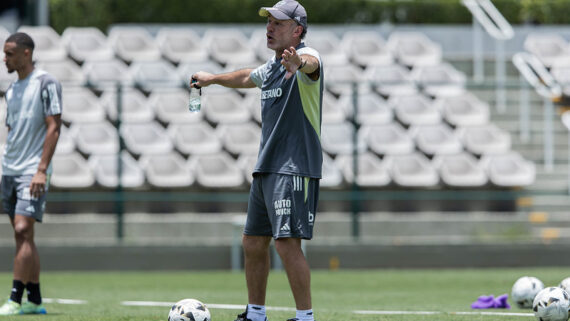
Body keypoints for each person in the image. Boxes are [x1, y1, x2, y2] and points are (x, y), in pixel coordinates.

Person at [193, 1, 323, 321]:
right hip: (266, 167)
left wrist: (298, 61)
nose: (270, 27)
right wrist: (211, 79)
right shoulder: (273, 66)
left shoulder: (309, 56)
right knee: (252, 241)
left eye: (278, 23)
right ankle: (255, 315)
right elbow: (245, 77)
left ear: (297, 30)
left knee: (286, 244)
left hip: (292, 167)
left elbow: (309, 64)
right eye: (269, 22)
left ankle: (305, 317)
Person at [0, 32, 62, 315]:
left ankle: (15, 298)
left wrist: (40, 171)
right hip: (9, 171)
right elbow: (12, 132)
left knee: (23, 230)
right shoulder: (12, 90)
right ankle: (35, 300)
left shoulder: (47, 83)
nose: (5, 59)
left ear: (26, 53)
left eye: (10, 53)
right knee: (23, 235)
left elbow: (54, 127)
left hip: (32, 172)